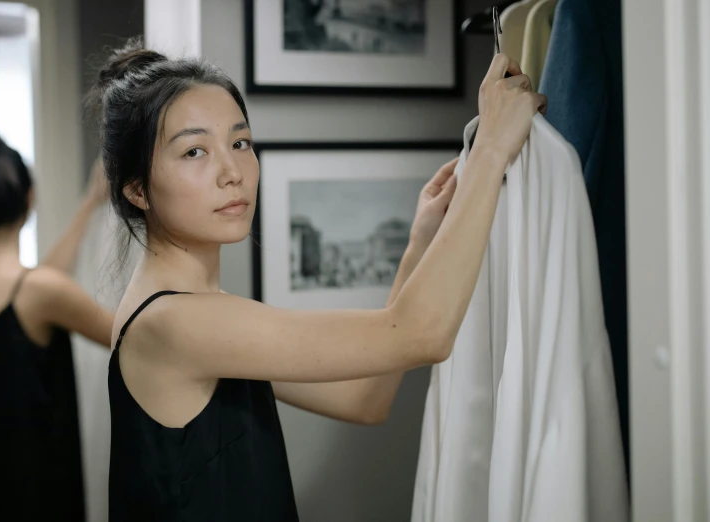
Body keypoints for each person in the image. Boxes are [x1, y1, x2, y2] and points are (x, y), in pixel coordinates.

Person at [94, 39, 546, 521]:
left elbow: (365, 398)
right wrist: (493, 148)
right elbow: (424, 334)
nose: (233, 172)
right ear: (138, 189)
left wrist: (418, 244)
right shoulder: (175, 323)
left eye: (240, 143)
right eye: (194, 151)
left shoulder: (194, 314)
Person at [0, 124, 115, 522]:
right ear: (29, 198)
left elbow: (41, 284)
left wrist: (89, 204)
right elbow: (131, 335)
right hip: (33, 495)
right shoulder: (39, 292)